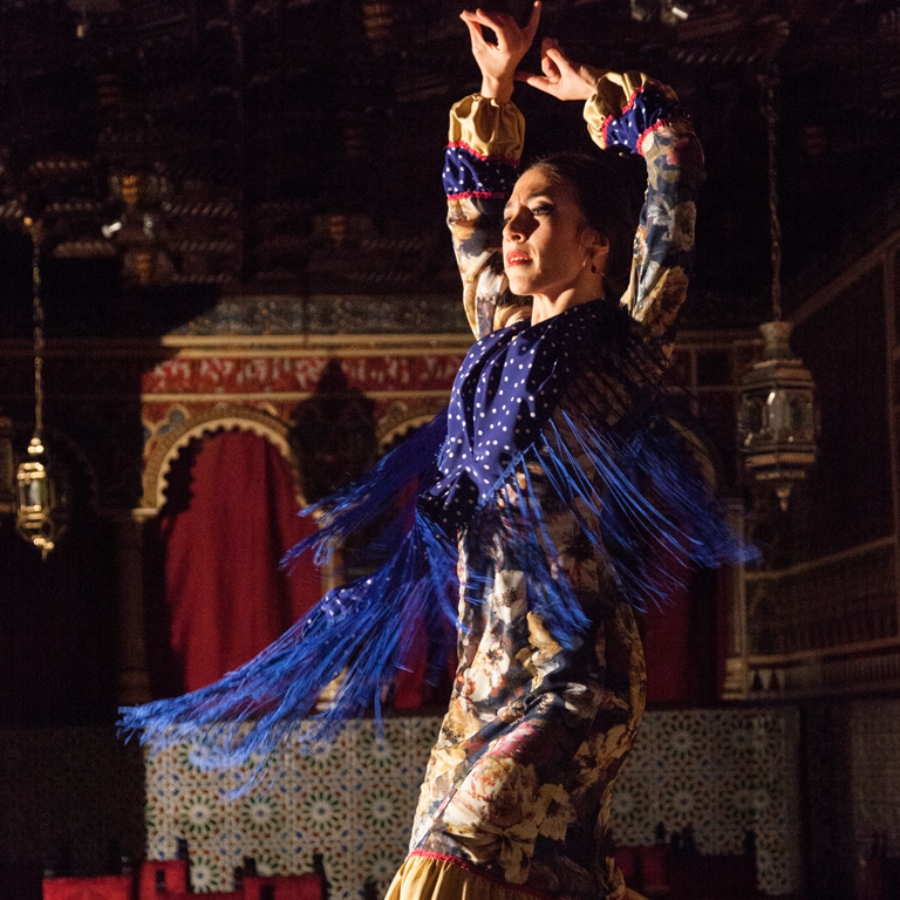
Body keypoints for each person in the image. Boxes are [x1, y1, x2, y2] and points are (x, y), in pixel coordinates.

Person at [121, 4, 741, 899]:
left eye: (542, 213)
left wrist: (606, 105)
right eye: (516, 215)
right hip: (479, 688)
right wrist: (495, 84)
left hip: (578, 678)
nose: (516, 229)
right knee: (550, 879)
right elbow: (468, 219)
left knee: (448, 865)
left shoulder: (624, 347)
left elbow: (672, 177)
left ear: (599, 244)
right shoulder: (494, 332)